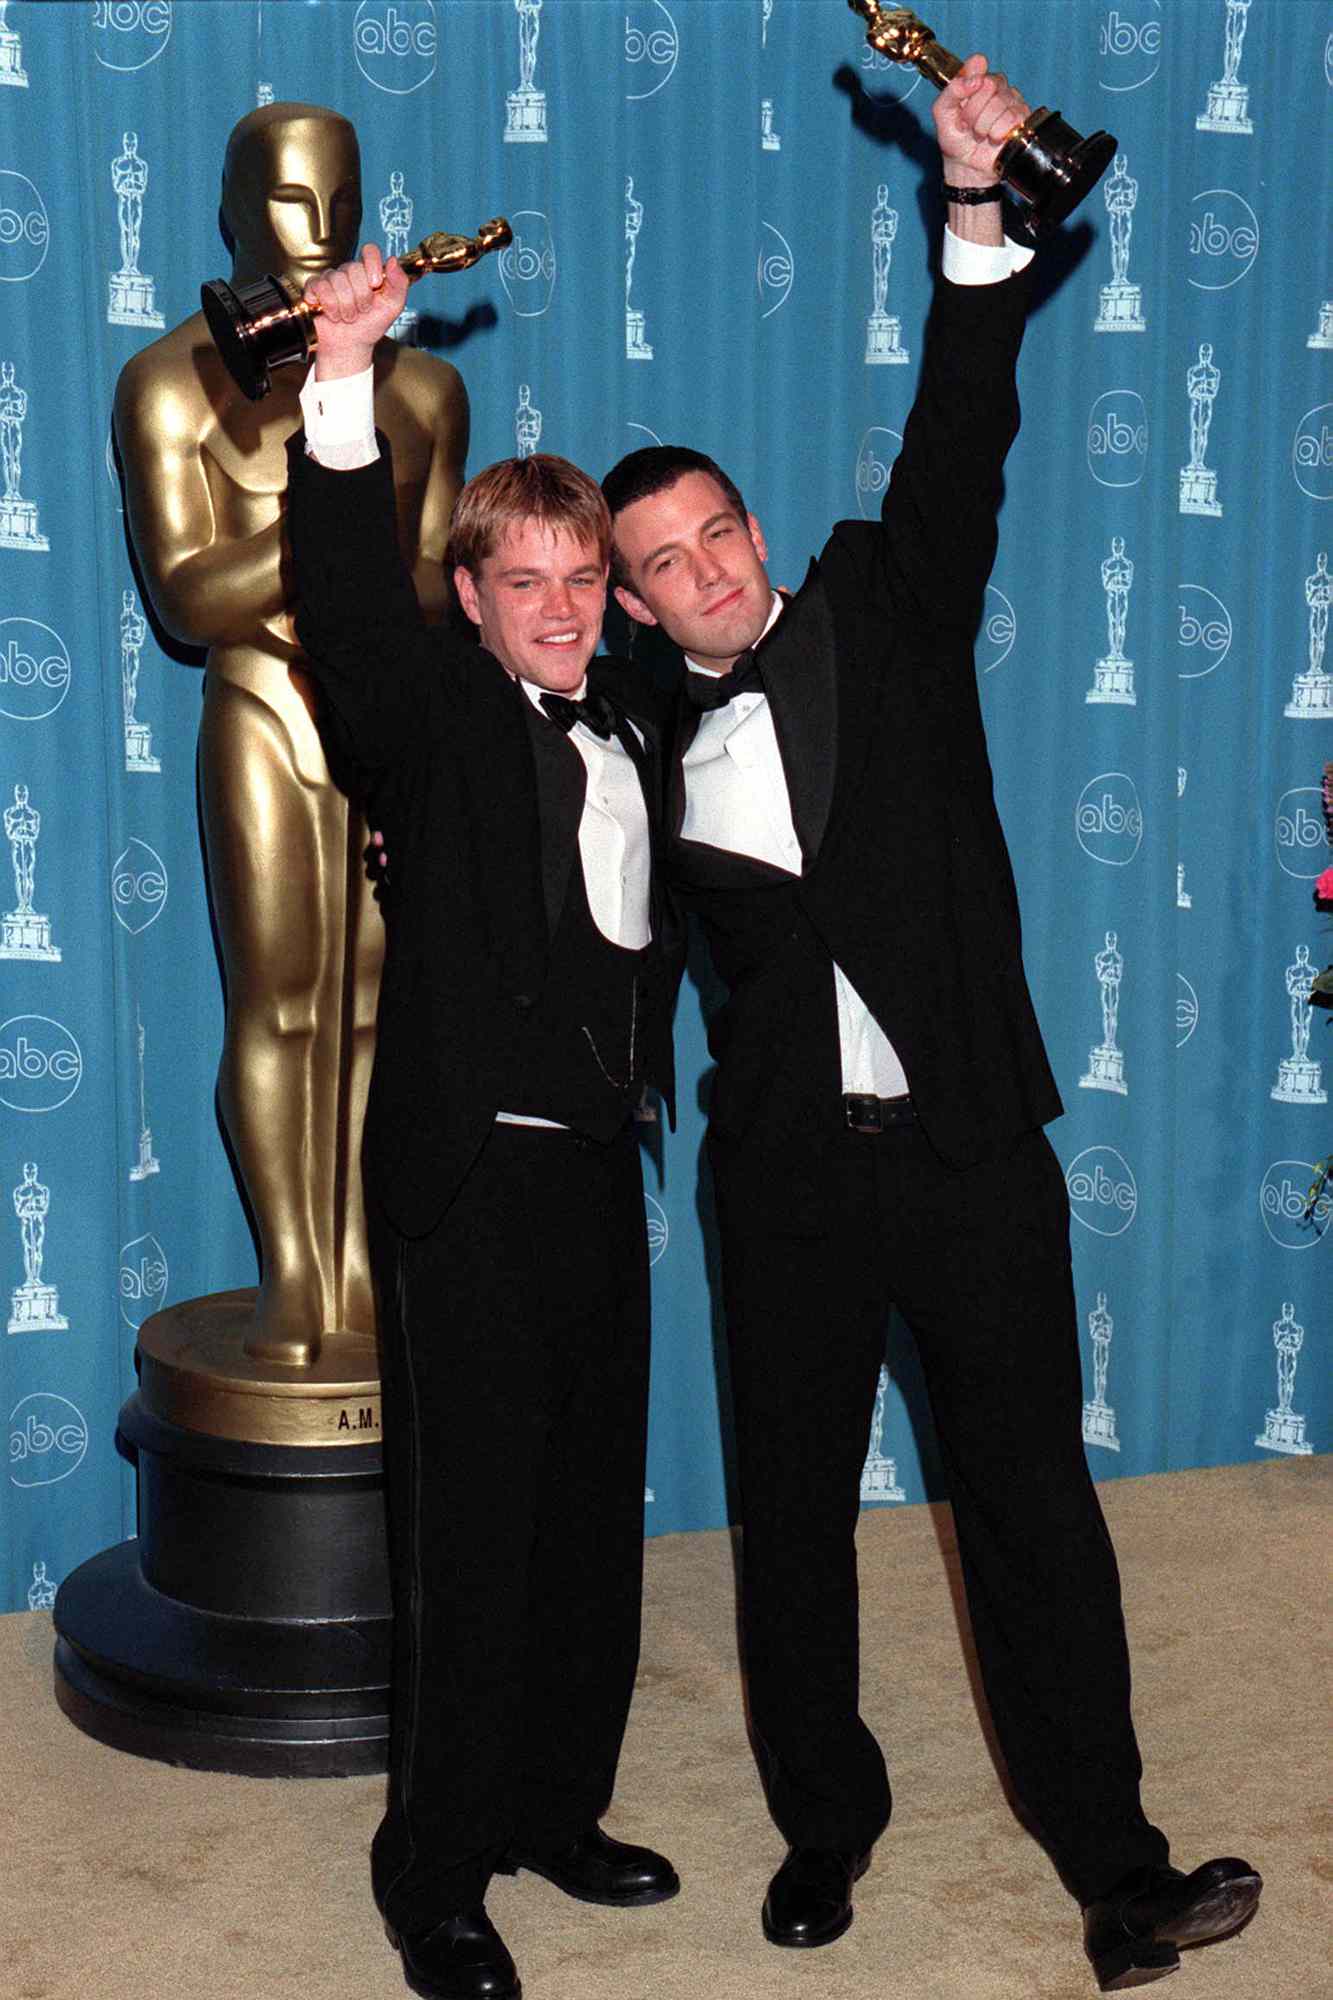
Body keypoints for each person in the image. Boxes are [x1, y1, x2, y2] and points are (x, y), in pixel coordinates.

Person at [603, 54, 1261, 1995]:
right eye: (669, 564)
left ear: (752, 531)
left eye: (721, 528)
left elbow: (959, 423)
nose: (712, 564)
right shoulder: (632, 733)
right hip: (787, 1188)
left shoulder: (885, 602)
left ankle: (1116, 1866)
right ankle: (827, 1824)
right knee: (795, 1534)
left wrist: (970, 208)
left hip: (973, 1157)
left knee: (1034, 1516)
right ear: (636, 609)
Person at [286, 244, 680, 2000]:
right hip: (463, 1187)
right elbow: (347, 624)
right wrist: (345, 377)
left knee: (590, 1518)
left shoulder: (631, 722)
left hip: (597, 1175)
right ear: (472, 591)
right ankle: (431, 1873)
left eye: (583, 578)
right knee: (471, 1534)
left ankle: (551, 1810)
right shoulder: (436, 715)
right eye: (527, 578)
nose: (562, 605)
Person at [115, 101, 468, 1367]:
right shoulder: (169, 381)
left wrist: (345, 533)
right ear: (232, 205)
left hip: (389, 721)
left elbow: (441, 585)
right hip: (262, 711)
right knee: (280, 1009)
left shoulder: (426, 389)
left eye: (340, 201)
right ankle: (295, 1276)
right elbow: (188, 597)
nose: (318, 232)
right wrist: (334, 520)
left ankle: (359, 1265)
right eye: (287, 201)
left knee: (379, 1006)